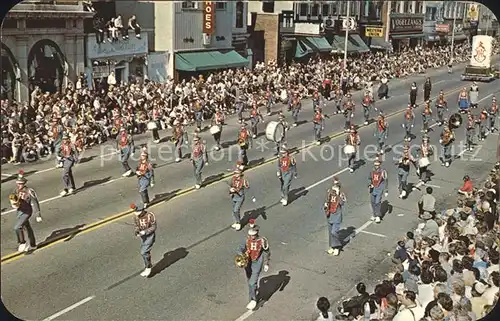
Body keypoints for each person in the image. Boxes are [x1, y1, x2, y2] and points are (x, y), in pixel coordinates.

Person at [237, 228, 270, 311]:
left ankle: (253, 300)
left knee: (252, 283)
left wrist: (266, 263)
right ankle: (251, 299)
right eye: (250, 235)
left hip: (257, 263)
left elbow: (267, 252)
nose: (252, 237)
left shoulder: (262, 241)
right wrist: (241, 254)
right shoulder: (246, 239)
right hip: (248, 263)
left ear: (257, 234)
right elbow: (240, 248)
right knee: (250, 282)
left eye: (253, 235)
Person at [132, 203, 156, 277]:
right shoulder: (136, 217)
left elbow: (154, 227)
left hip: (150, 236)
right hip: (143, 237)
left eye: (139, 213)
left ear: (142, 210)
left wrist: (145, 232)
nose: (138, 215)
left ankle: (148, 267)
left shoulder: (150, 215)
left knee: (143, 252)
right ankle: (147, 264)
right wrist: (137, 231)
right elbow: (136, 225)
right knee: (145, 251)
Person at [323, 180, 346, 256]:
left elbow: (342, 203)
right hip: (330, 215)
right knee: (330, 232)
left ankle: (337, 247)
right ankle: (331, 246)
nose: (334, 188)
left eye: (336, 187)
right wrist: (326, 205)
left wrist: (338, 194)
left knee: (334, 232)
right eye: (333, 186)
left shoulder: (341, 195)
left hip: (337, 216)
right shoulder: (330, 193)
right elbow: (326, 200)